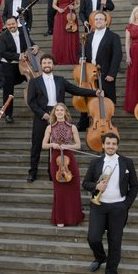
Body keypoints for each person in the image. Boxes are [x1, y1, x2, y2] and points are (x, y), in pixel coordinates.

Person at [25, 54, 97, 182]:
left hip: (58, 114)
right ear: (41, 66)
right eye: (44, 63)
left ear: (53, 65)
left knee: (56, 145)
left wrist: (94, 93)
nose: (47, 65)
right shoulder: (35, 82)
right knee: (36, 144)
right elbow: (31, 102)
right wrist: (43, 114)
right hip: (42, 115)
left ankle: (52, 172)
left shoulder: (60, 80)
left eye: (49, 62)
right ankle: (32, 172)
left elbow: (75, 90)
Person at [83, 132, 138, 274]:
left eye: (114, 144)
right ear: (103, 145)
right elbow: (85, 183)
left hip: (118, 207)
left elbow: (134, 187)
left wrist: (125, 205)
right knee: (93, 238)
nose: (111, 146)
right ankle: (100, 257)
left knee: (115, 243)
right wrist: (96, 186)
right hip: (99, 205)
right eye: (108, 143)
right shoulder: (96, 162)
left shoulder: (127, 162)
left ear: (117, 146)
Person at [79, 11, 122, 130]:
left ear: (106, 21)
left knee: (105, 99)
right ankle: (83, 124)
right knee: (87, 95)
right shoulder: (88, 36)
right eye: (96, 19)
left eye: (100, 19)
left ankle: (106, 124)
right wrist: (80, 58)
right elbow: (81, 50)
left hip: (105, 73)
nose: (98, 21)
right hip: (89, 73)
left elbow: (117, 56)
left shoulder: (114, 36)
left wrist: (112, 74)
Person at [42, 103, 83, 227]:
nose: (59, 112)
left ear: (65, 112)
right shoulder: (49, 127)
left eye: (62, 110)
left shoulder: (72, 127)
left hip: (69, 157)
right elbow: (44, 145)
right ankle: (60, 218)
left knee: (73, 186)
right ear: (54, 113)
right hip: (56, 159)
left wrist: (68, 146)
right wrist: (52, 145)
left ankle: (73, 217)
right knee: (59, 189)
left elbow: (78, 145)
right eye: (57, 110)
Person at [0, 16, 37, 122]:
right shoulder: (3, 36)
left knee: (35, 82)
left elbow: (31, 44)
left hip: (23, 65)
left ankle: (38, 109)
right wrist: (19, 56)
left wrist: (36, 46)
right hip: (8, 66)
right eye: (9, 24)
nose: (11, 26)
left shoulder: (23, 32)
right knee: (8, 90)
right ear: (6, 25)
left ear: (17, 23)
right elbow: (3, 53)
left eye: (13, 24)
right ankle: (8, 114)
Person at [51, 0, 79, 65]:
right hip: (60, 16)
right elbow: (53, 5)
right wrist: (59, 9)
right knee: (60, 37)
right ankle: (59, 58)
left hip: (71, 17)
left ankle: (71, 58)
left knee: (71, 37)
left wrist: (74, 8)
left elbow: (78, 4)